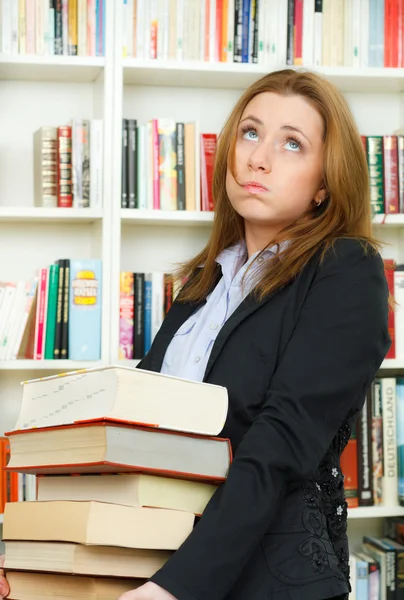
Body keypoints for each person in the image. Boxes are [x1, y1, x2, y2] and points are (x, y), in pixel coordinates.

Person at [0, 68, 390, 600]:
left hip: (263, 582)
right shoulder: (203, 283)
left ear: (325, 183)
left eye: (292, 144)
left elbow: (279, 445)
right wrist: (40, 561)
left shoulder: (347, 269)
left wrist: (173, 589)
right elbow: (134, 428)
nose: (259, 157)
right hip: (152, 560)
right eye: (251, 133)